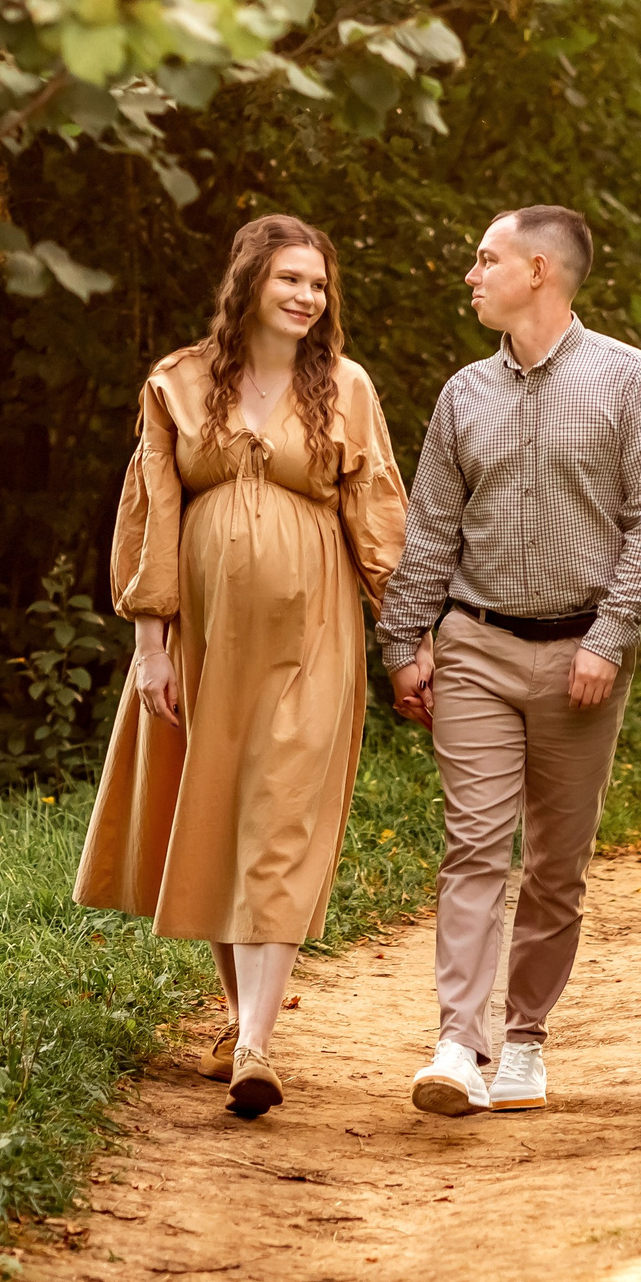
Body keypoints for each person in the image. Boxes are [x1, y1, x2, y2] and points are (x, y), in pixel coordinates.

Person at [72, 214, 408, 1119]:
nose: (308, 297)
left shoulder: (344, 386)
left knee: (282, 812)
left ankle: (258, 1042)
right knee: (214, 811)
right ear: (251, 282)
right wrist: (150, 645)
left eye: (320, 284)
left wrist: (406, 634)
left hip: (314, 635)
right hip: (206, 639)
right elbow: (151, 507)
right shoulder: (180, 383)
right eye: (292, 279)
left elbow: (376, 506)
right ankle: (237, 1015)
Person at [377, 204, 641, 1117]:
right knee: (473, 843)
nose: (472, 276)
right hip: (474, 642)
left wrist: (608, 638)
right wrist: (404, 641)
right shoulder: (463, 393)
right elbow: (429, 528)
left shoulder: (630, 381)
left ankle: (523, 1040)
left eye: (486, 259)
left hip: (582, 657)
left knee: (556, 861)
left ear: (540, 270)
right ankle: (456, 1044)